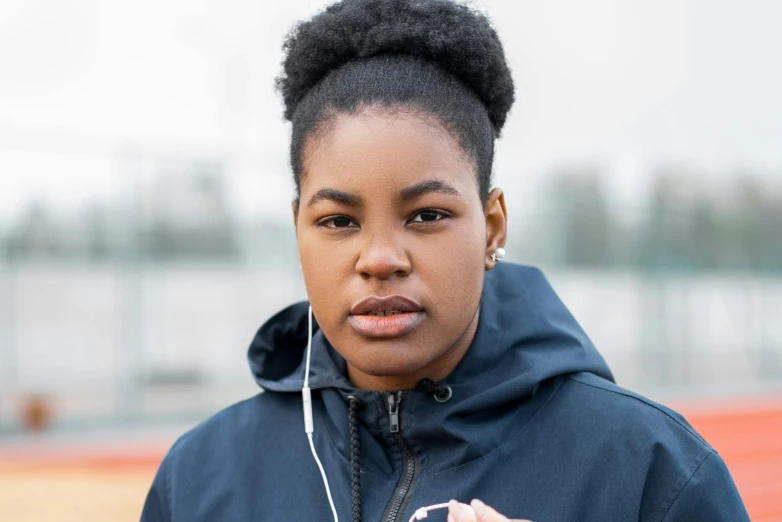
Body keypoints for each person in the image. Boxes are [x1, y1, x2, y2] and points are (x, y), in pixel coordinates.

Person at [140, 0, 749, 520]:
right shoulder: (198, 479)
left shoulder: (650, 470)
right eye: (338, 221)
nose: (380, 259)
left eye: (426, 215)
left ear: (491, 227)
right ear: (298, 228)